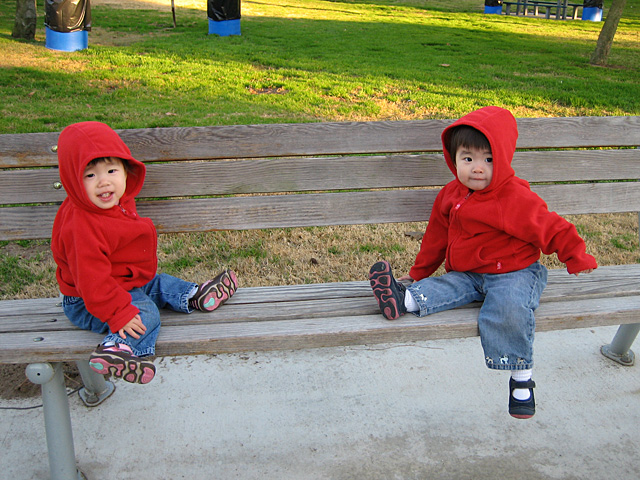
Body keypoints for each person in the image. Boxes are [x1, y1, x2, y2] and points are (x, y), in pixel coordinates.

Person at [368, 106, 596, 419]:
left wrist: (576, 255)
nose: (478, 168)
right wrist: (417, 275)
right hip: (470, 274)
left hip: (515, 273)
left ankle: (521, 379)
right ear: (454, 159)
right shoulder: (450, 195)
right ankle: (401, 298)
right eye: (468, 158)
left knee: (508, 307)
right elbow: (435, 237)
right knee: (446, 287)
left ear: (502, 159)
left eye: (488, 159)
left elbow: (551, 227)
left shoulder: (514, 197)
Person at [51, 121, 238, 385]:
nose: (104, 182)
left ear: (125, 171)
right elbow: (92, 282)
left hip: (119, 282)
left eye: (111, 170)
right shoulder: (81, 226)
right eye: (90, 175)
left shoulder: (114, 203)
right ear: (72, 179)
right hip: (87, 300)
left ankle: (194, 295)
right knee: (146, 313)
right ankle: (119, 350)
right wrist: (119, 314)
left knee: (159, 283)